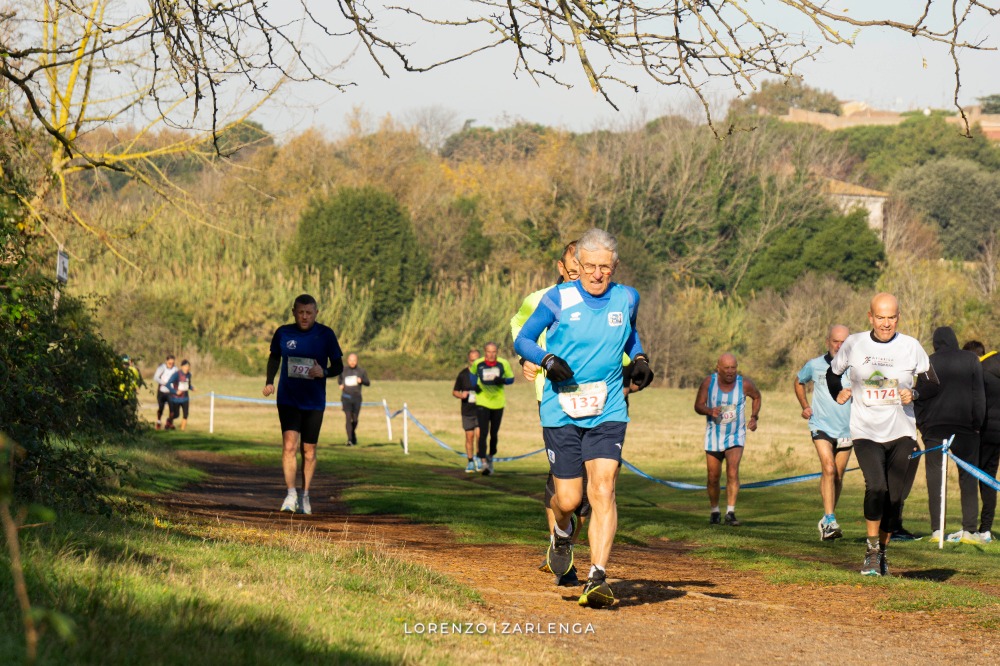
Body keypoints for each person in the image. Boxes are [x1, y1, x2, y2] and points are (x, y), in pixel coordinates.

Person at [514, 227, 654, 609]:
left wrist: (640, 358)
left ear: (615, 266)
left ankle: (598, 577)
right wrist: (546, 359)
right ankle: (561, 535)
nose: (597, 274)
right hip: (561, 409)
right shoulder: (557, 299)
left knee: (603, 488)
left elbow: (629, 333)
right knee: (569, 499)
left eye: (604, 267)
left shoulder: (627, 297)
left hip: (608, 408)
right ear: (578, 264)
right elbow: (522, 339)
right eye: (590, 266)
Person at [827, 292, 935, 576]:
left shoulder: (911, 346)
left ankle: (883, 553)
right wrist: (838, 392)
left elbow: (932, 383)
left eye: (891, 317)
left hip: (901, 432)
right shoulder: (854, 344)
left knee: (895, 498)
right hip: (865, 431)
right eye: (880, 317)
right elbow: (832, 374)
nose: (886, 323)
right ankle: (872, 550)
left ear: (898, 317)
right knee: (876, 487)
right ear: (870, 317)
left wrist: (914, 393)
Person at [511, 240, 589, 585]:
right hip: (553, 397)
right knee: (563, 479)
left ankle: (561, 544)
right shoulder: (540, 299)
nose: (579, 277)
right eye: (573, 272)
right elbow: (519, 328)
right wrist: (527, 358)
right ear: (562, 267)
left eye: (583, 271)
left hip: (596, 400)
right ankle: (565, 559)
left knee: (589, 487)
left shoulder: (601, 298)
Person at [263, 294, 344, 516]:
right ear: (294, 312)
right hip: (288, 399)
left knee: (309, 451)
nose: (305, 316)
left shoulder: (325, 334)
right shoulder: (283, 333)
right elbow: (274, 357)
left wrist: (323, 371)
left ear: (316, 313)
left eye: (309, 312)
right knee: (289, 446)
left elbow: (338, 366)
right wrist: (269, 382)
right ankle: (290, 494)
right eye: (301, 312)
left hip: (314, 401)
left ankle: (305, 495)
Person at [913, 327, 985, 543]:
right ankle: (969, 530)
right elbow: (978, 395)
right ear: (955, 340)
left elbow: (919, 397)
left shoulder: (927, 362)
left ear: (935, 343)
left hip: (934, 428)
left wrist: (923, 426)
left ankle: (937, 530)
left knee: (935, 478)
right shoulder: (971, 360)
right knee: (969, 477)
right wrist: (977, 424)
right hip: (966, 427)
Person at [794, 325, 853, 541]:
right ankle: (830, 518)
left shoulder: (856, 367)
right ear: (828, 341)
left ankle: (828, 519)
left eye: (844, 342)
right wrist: (805, 406)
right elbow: (799, 382)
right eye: (836, 341)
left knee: (837, 475)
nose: (839, 346)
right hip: (821, 425)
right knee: (828, 468)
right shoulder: (815, 365)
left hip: (847, 429)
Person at [694, 353, 761, 527]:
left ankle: (730, 512)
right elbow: (698, 405)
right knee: (713, 477)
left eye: (733, 368)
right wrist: (710, 411)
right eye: (726, 368)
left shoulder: (744, 384)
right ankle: (715, 511)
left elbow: (757, 396)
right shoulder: (708, 383)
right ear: (718, 368)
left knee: (732, 471)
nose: (730, 371)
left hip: (735, 435)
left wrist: (754, 417)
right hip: (714, 436)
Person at [963, 340, 1000, 543]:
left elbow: (976, 404)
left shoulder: (980, 372)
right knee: (989, 479)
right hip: (997, 434)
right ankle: (985, 528)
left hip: (982, 431)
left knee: (972, 476)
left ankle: (970, 527)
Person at [469, 342, 515, 476]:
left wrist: (502, 380)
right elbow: (472, 374)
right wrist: (474, 386)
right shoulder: (478, 363)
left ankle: (490, 456)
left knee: (494, 433)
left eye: (494, 352)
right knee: (483, 432)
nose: (491, 354)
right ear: (485, 352)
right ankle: (483, 461)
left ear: (497, 352)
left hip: (498, 403)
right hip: (482, 401)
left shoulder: (503, 363)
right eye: (489, 352)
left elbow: (511, 379)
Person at [452, 349, 481, 472]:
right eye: (472, 360)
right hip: (467, 411)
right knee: (470, 437)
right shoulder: (463, 375)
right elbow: (454, 391)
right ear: (469, 361)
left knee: (480, 436)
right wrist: (461, 395)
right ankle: (470, 461)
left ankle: (479, 459)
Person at [338, 353, 371, 447]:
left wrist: (362, 381)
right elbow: (339, 380)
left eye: (354, 360)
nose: (352, 362)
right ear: (348, 361)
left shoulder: (361, 371)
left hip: (357, 398)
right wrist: (341, 385)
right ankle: (349, 440)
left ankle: (352, 434)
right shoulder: (343, 370)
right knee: (348, 418)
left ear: (357, 361)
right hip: (346, 398)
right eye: (351, 360)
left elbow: (368, 383)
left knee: (355, 419)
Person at [166, 359, 195, 431]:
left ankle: (182, 430)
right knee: (176, 415)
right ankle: (169, 421)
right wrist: (175, 391)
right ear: (182, 367)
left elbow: (187, 384)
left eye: (188, 367)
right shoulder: (176, 374)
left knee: (186, 414)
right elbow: (168, 384)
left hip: (185, 398)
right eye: (185, 366)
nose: (187, 368)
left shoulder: (189, 375)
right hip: (176, 399)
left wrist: (192, 388)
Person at [152, 354, 176, 430]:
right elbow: (155, 377)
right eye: (169, 363)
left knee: (172, 409)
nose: (171, 365)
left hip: (170, 392)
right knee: (161, 408)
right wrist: (164, 383)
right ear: (166, 361)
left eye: (172, 363)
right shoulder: (162, 368)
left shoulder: (175, 369)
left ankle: (169, 423)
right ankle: (158, 422)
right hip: (162, 391)